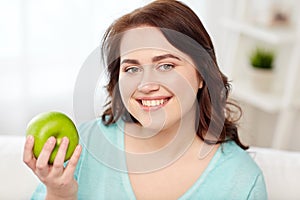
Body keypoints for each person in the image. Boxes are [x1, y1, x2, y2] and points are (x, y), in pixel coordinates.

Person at [23, 0, 268, 199]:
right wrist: (60, 194)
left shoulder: (241, 180)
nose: (146, 85)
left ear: (202, 74)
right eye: (131, 69)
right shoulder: (82, 148)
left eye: (166, 65)